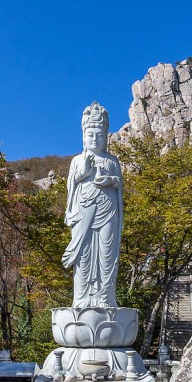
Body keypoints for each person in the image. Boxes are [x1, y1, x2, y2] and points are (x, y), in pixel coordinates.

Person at [61, 101, 123, 307]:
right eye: (90, 134)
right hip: (83, 213)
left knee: (107, 255)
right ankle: (81, 300)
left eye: (99, 134)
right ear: (83, 136)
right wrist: (83, 173)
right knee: (84, 257)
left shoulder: (112, 161)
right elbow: (71, 186)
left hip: (108, 212)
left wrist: (111, 181)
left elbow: (119, 185)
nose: (95, 138)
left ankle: (105, 299)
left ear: (106, 136)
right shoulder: (77, 160)